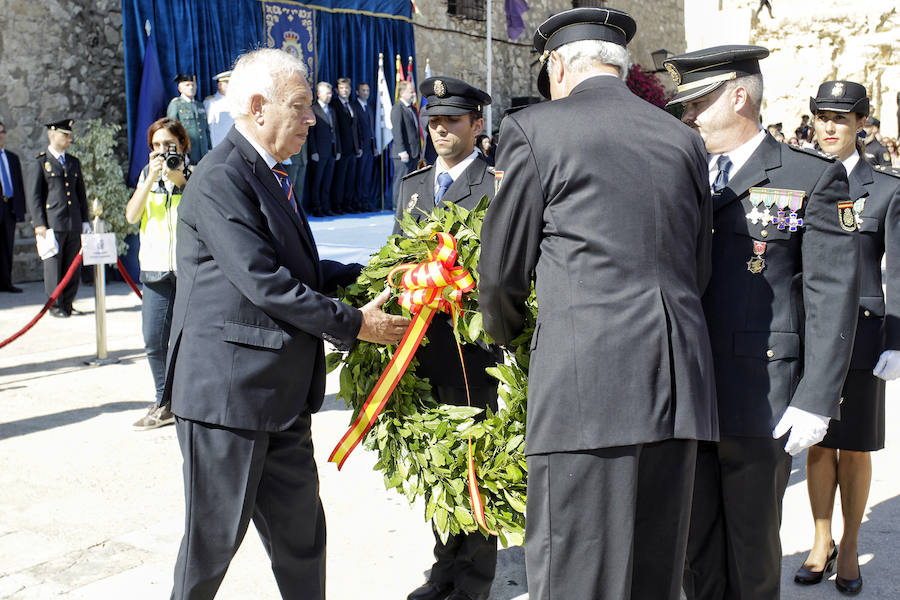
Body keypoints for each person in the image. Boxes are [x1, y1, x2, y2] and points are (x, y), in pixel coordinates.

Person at [478, 8, 718, 600]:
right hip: (676, 388)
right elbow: (700, 264)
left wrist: (508, 337)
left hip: (586, 391)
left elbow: (501, 269)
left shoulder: (537, 130)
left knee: (575, 574)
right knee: (654, 576)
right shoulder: (682, 137)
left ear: (558, 65)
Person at [163, 48, 409, 600]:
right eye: (299, 107)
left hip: (281, 397)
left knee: (302, 539)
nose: (312, 119)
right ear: (256, 107)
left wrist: (379, 273)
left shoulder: (270, 174)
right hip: (228, 398)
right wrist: (355, 324)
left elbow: (301, 268)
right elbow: (265, 282)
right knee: (211, 545)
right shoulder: (222, 176)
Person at [663, 46, 861, 600]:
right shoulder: (677, 171)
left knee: (751, 555)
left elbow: (831, 294)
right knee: (694, 554)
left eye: (698, 102)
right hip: (685, 394)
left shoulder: (807, 177)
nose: (689, 116)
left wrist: (817, 397)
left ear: (738, 95)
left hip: (761, 396)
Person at [394, 76, 500, 600]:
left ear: (476, 125)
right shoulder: (411, 186)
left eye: (451, 120)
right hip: (425, 346)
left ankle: (474, 580)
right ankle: (444, 569)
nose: (440, 129)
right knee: (439, 462)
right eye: (433, 120)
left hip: (477, 351)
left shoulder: (497, 183)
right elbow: (397, 261)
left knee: (477, 461)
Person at [793, 80, 900, 595]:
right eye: (822, 117)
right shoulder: (800, 177)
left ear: (862, 124)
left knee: (854, 447)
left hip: (861, 332)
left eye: (842, 118)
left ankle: (851, 543)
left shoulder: (886, 188)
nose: (830, 127)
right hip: (812, 332)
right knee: (817, 443)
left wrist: (897, 339)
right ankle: (820, 541)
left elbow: (897, 270)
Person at [125, 118, 191, 431]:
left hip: (189, 271)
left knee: (191, 340)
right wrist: (150, 177)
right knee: (154, 340)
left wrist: (180, 179)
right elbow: (131, 216)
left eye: (170, 146)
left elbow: (202, 210)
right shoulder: (146, 175)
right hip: (154, 269)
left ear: (182, 145)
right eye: (157, 146)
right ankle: (164, 401)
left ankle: (189, 401)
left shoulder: (194, 173)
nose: (163, 152)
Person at [27, 119, 90, 318]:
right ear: (52, 135)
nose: (69, 139)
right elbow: (35, 196)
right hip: (52, 223)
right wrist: (39, 223)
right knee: (54, 267)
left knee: (72, 265)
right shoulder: (41, 162)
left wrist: (85, 220)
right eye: (65, 135)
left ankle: (69, 303)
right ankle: (55, 305)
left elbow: (81, 194)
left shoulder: (73, 162)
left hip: (73, 221)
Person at [307, 81, 341, 216]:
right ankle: (316, 207)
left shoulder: (331, 110)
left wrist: (337, 149)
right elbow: (311, 134)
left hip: (331, 151)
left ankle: (326, 206)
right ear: (318, 94)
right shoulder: (313, 109)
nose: (329, 95)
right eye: (326, 93)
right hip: (319, 152)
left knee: (327, 181)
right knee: (317, 181)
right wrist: (314, 151)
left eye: (330, 93)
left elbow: (336, 132)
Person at [0, 121, 26, 293]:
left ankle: (6, 282)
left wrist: (20, 209)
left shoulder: (11, 158)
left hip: (9, 208)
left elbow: (18, 185)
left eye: (2, 131)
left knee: (7, 246)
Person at [330, 77, 361, 213]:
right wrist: (338, 149)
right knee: (340, 179)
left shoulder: (352, 105)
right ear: (337, 90)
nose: (345, 90)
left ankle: (348, 204)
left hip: (353, 149)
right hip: (341, 149)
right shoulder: (334, 105)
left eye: (347, 88)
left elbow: (356, 128)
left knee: (350, 179)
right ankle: (338, 204)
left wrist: (358, 146)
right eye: (342, 88)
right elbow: (335, 129)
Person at [390, 80, 421, 210]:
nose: (413, 94)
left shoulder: (413, 108)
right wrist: (402, 151)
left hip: (413, 152)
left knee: (411, 181)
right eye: (410, 91)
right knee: (401, 181)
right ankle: (397, 206)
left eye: (414, 91)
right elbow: (397, 131)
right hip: (403, 153)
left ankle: (408, 205)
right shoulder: (398, 108)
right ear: (402, 92)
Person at [167, 74, 211, 165]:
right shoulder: (176, 105)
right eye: (187, 85)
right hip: (188, 153)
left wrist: (209, 147)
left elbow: (205, 129)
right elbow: (172, 131)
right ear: (180, 88)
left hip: (203, 152)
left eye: (193, 85)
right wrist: (179, 151)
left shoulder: (200, 105)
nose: (191, 87)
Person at [354, 81, 377, 211]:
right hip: (360, 148)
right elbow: (355, 129)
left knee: (367, 176)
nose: (366, 93)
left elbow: (371, 130)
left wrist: (374, 146)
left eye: (367, 90)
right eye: (363, 90)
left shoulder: (369, 107)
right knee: (360, 176)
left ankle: (366, 201)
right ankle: (358, 203)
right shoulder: (355, 107)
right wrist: (358, 146)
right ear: (357, 92)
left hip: (369, 147)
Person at [204, 70, 234, 148]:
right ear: (220, 85)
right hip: (218, 142)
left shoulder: (236, 100)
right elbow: (209, 125)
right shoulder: (211, 102)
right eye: (227, 84)